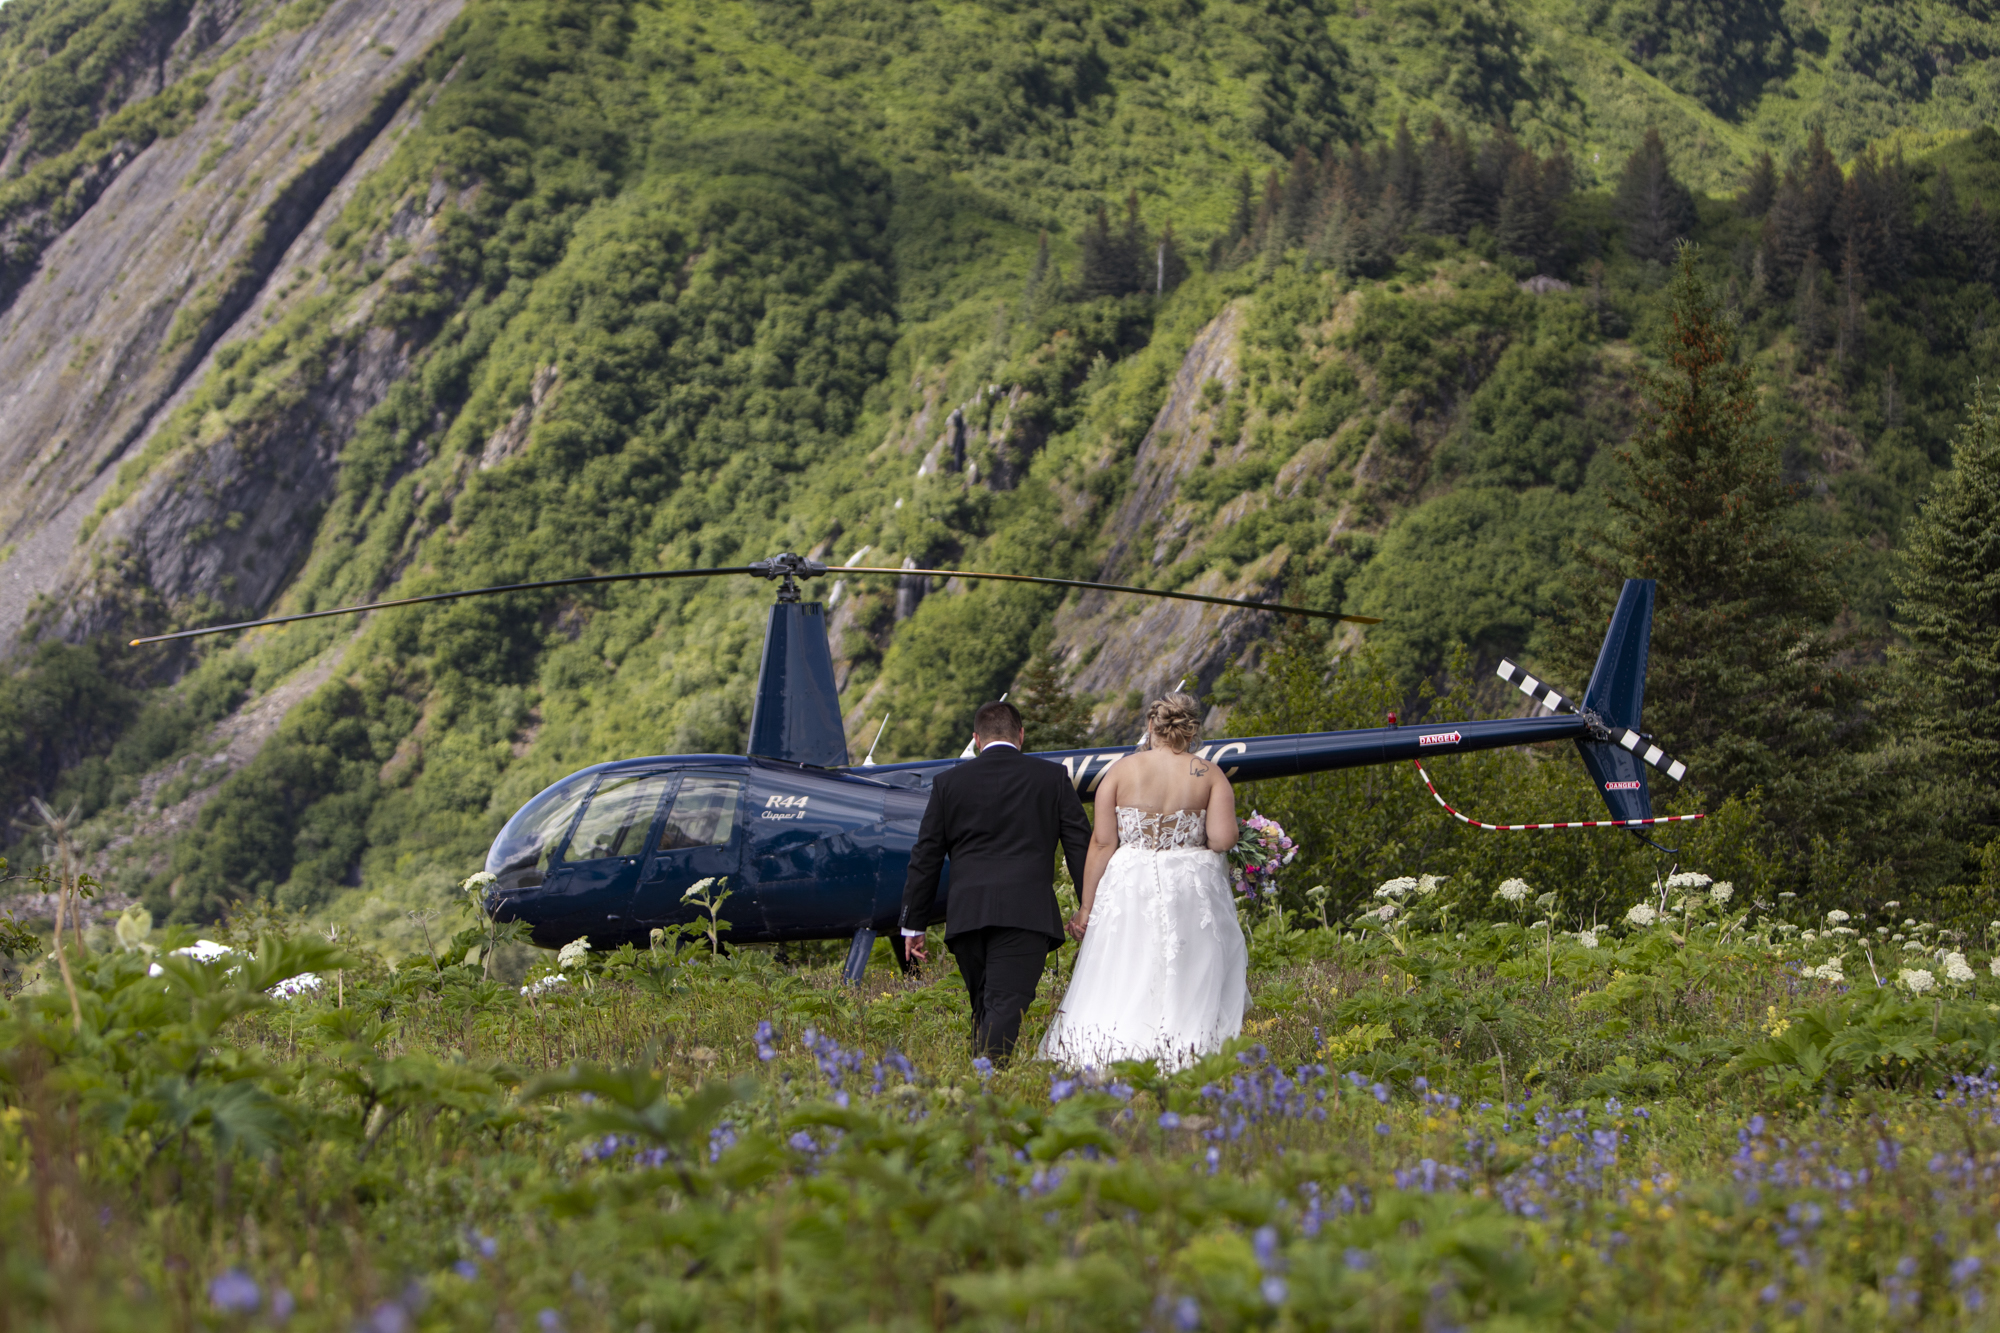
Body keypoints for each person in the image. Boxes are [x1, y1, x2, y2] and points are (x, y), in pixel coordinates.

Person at [1040, 692, 1247, 1070]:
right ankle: (1186, 1055)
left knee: (1124, 965)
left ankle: (1108, 1052)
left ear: (1151, 726)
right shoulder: (1208, 773)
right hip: (1188, 884)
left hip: (1130, 882)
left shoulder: (1121, 771)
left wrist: (1086, 908)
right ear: (1191, 730)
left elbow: (1102, 843)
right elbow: (1221, 839)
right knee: (1186, 968)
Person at [899, 700, 1091, 1062]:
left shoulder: (948, 783)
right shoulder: (1051, 778)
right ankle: (985, 1087)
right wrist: (1088, 907)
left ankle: (981, 1087)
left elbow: (925, 855)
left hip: (968, 914)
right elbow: (1080, 846)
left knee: (987, 1004)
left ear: (975, 740)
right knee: (1002, 1004)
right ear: (1021, 735)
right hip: (1026, 911)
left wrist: (914, 924)